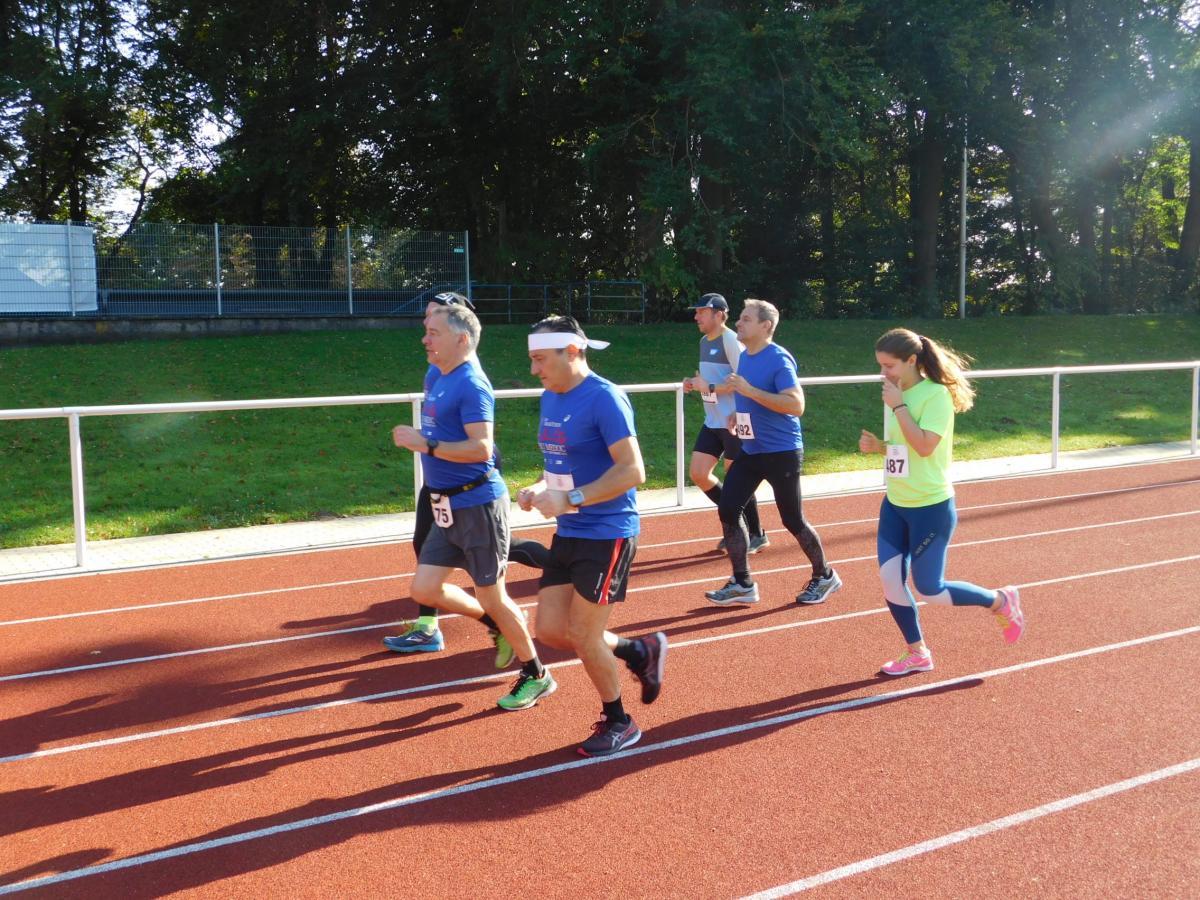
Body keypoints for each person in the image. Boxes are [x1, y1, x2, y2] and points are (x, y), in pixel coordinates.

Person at [384, 301, 554, 711]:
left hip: (478, 504)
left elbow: (481, 448)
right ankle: (496, 624)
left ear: (461, 339)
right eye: (426, 331)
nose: (425, 340)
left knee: (492, 594)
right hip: (445, 504)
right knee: (424, 588)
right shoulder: (435, 374)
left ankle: (537, 674)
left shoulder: (472, 385)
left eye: (434, 333)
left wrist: (425, 444)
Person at [519, 315, 666, 757]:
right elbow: (562, 462)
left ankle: (620, 721)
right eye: (532, 359)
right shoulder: (551, 396)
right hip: (570, 530)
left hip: (608, 532)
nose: (534, 369)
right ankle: (637, 651)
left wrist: (572, 498)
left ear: (572, 352)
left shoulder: (605, 398)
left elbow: (633, 471)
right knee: (550, 630)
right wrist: (541, 488)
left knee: (584, 634)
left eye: (540, 359)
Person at [857, 328, 1024, 676]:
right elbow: (904, 447)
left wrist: (898, 406)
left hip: (930, 508)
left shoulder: (935, 396)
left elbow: (924, 447)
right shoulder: (895, 393)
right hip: (895, 504)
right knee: (891, 582)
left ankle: (999, 600)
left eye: (889, 365)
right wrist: (881, 447)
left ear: (911, 361)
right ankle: (917, 653)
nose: (883, 373)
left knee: (930, 589)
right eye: (880, 365)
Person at [703, 299, 840, 607]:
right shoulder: (745, 357)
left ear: (765, 326)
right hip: (752, 450)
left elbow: (796, 405)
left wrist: (748, 391)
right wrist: (738, 414)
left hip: (782, 452)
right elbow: (752, 399)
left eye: (746, 319)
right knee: (728, 508)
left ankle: (825, 575)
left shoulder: (778, 359)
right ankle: (742, 583)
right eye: (740, 318)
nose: (738, 323)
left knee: (792, 519)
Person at [680, 292, 768, 555]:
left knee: (737, 479)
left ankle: (756, 533)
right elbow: (711, 381)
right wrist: (694, 383)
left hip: (734, 420)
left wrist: (709, 388)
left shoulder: (731, 340)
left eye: (702, 312)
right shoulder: (703, 341)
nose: (696, 317)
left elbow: (743, 381)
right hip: (713, 421)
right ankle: (736, 522)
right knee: (698, 473)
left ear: (719, 315)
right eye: (696, 312)